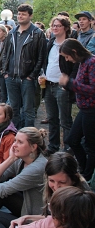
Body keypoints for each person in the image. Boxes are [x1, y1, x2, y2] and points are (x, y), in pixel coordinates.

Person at [0, 152, 90, 228]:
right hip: (46, 222)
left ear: (73, 179)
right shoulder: (49, 189)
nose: (56, 186)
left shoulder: (80, 199)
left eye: (62, 182)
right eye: (51, 181)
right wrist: (27, 217)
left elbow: (57, 222)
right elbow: (51, 218)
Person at [2, 4, 46, 129]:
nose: (20, 16)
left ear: (30, 16)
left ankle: (28, 138)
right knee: (13, 109)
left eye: (24, 14)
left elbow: (41, 57)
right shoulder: (12, 33)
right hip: (11, 76)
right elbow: (6, 53)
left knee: (28, 110)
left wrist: (32, 75)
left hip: (27, 78)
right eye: (19, 14)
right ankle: (15, 136)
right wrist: (5, 72)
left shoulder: (37, 34)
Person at [58, 38, 95, 181]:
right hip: (84, 109)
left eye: (67, 56)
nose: (67, 60)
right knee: (72, 140)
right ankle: (84, 167)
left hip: (91, 110)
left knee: (91, 146)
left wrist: (70, 83)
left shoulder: (91, 62)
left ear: (74, 51)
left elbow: (92, 89)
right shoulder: (82, 62)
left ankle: (87, 175)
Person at [41, 17, 75, 155]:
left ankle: (68, 148)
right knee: (52, 118)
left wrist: (68, 81)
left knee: (65, 120)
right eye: (53, 25)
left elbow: (75, 65)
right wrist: (42, 74)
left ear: (65, 28)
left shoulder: (70, 44)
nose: (55, 28)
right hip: (48, 84)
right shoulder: (50, 43)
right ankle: (53, 146)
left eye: (58, 26)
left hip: (62, 87)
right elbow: (46, 62)